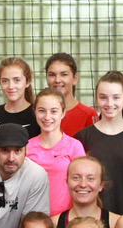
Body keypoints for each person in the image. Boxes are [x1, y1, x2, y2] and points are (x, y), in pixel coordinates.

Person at [76, 70, 123, 215]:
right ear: (96, 99)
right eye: (103, 97)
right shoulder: (82, 138)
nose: (109, 104)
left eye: (116, 97)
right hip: (93, 222)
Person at [27, 87, 86, 216]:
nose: (47, 117)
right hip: (33, 218)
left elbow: (82, 184)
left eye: (54, 111)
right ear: (35, 112)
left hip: (65, 218)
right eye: (42, 111)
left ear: (63, 113)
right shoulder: (26, 147)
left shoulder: (74, 146)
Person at [51, 156, 121, 228]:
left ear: (101, 185)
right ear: (67, 182)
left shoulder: (117, 223)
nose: (83, 184)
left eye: (90, 178)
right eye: (76, 178)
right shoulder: (53, 224)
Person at [45, 53, 97, 137]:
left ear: (75, 78)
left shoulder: (89, 115)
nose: (57, 80)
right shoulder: (41, 114)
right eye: (52, 75)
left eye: (64, 74)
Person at [0, 56, 37, 136]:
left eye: (17, 80)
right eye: (5, 81)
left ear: (27, 81)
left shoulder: (37, 113)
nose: (11, 86)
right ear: (0, 82)